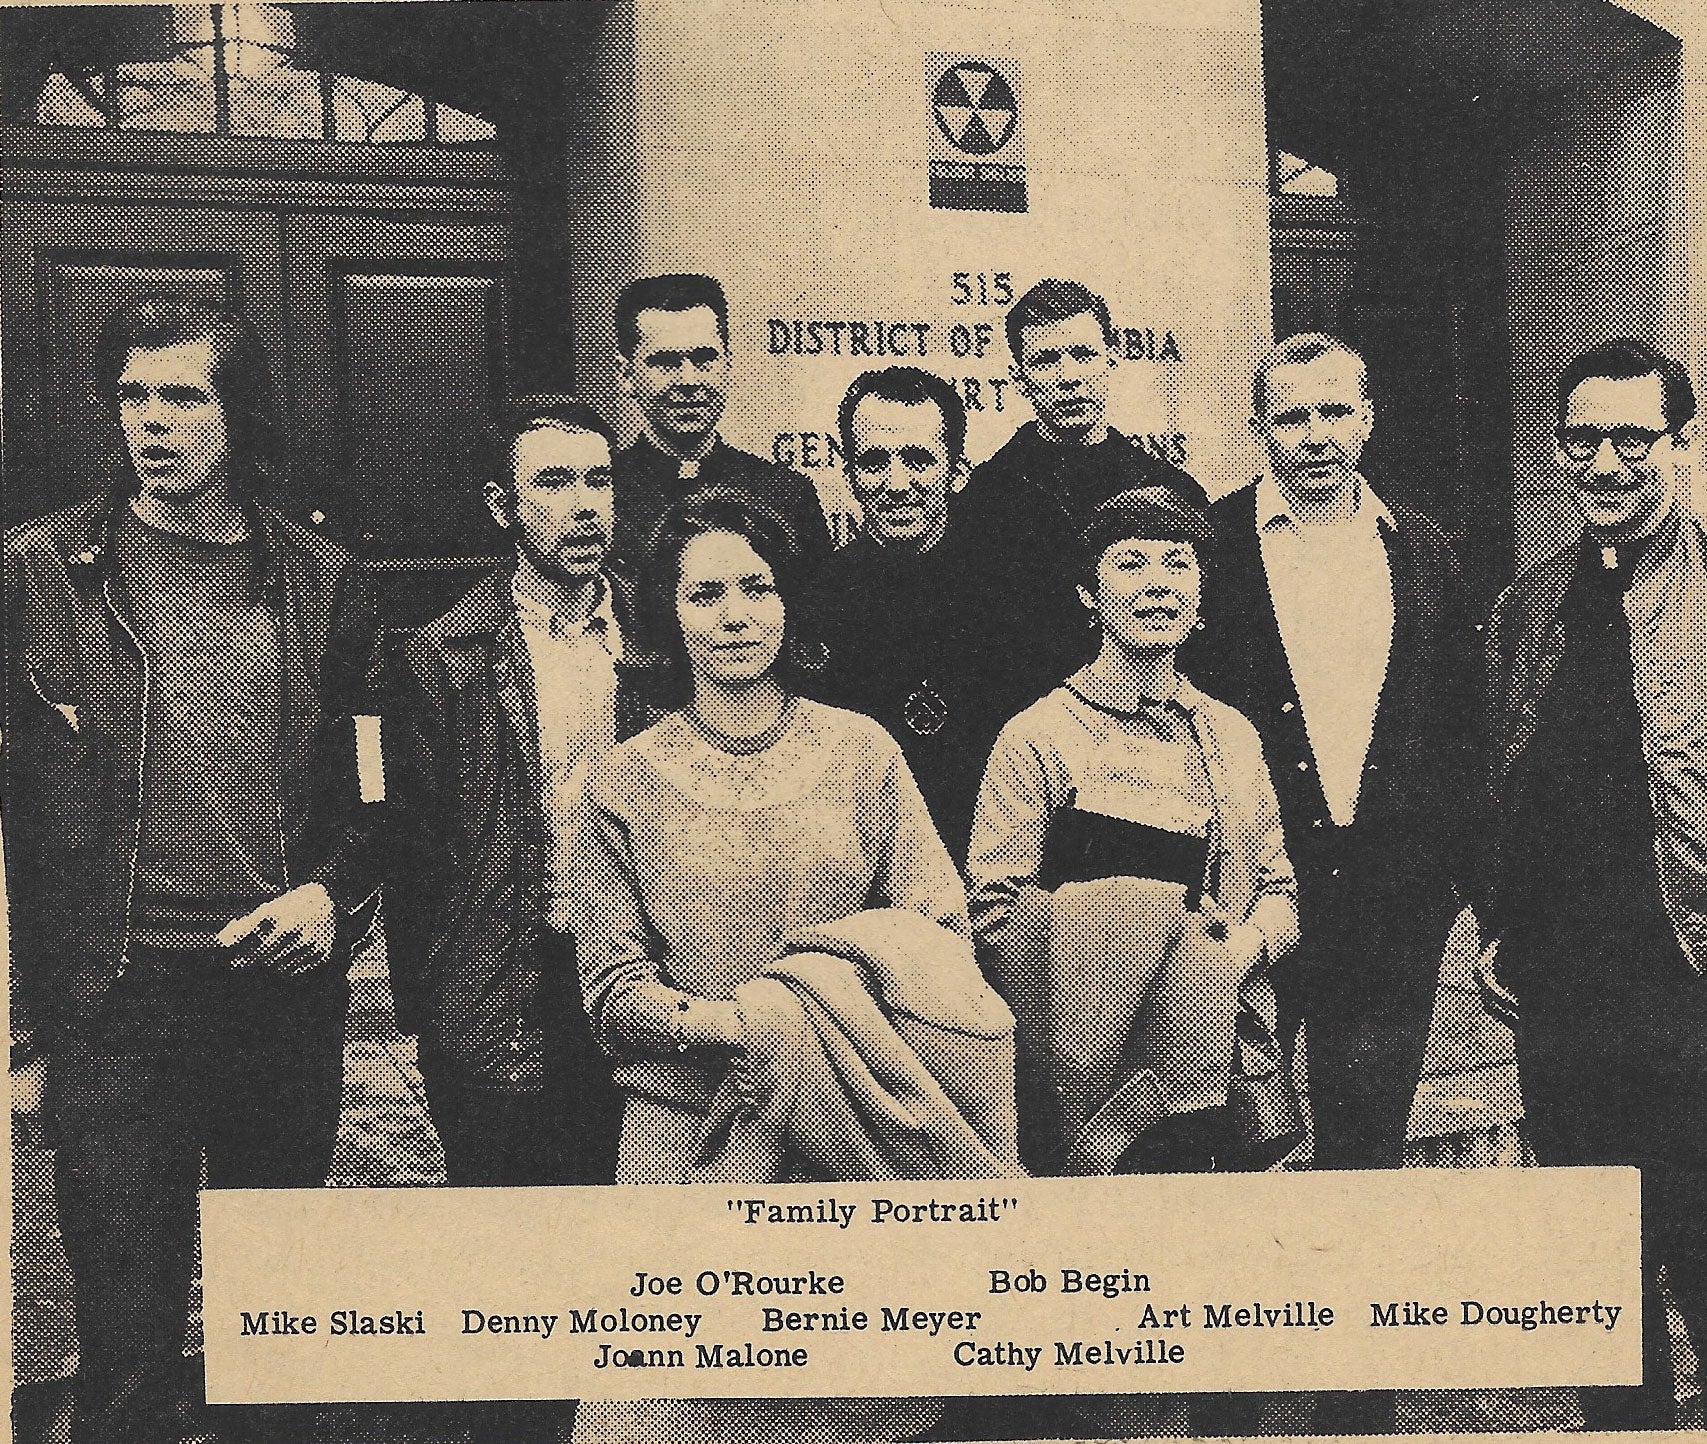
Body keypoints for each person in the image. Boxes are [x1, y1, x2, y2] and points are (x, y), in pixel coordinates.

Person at [3, 295, 381, 1444]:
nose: (152, 422)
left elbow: (373, 793)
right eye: (132, 395)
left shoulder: (325, 580)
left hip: (277, 993)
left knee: (275, 1314)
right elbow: (20, 825)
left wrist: (332, 896)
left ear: (239, 411)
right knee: (125, 1325)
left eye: (183, 395)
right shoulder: (39, 573)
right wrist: (26, 1038)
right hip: (119, 996)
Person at [572, 488, 1015, 1444]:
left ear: (789, 603)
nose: (735, 615)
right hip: (688, 1139)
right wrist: (746, 1028)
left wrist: (820, 1024)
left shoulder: (862, 753)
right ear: (665, 615)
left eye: (757, 588)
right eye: (704, 594)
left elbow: (939, 935)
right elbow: (609, 994)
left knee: (859, 1408)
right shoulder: (619, 780)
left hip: (851, 1133)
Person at [1477, 338, 1707, 1429]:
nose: (1607, 462)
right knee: (1599, 1275)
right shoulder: (1532, 601)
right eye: (1583, 438)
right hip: (1569, 992)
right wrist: (1501, 923)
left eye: (1634, 437)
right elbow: (1504, 774)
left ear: (1683, 442)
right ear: (1558, 448)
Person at [1189, 333, 1476, 1431]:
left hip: (1389, 903)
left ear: (1368, 418)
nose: (1314, 437)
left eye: (1333, 413)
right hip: (1250, 900)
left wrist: (1449, 877)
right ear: (1258, 430)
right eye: (1290, 417)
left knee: (1365, 1148)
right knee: (1230, 1136)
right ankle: (1227, 1399)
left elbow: (1459, 719)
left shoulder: (1426, 549)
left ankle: (1358, 1406)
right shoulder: (1212, 544)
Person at [968, 486, 1297, 1439]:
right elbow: (994, 914)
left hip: (1222, 1063)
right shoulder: (1039, 737)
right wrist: (1139, 923)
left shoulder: (1230, 733)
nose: (1158, 584)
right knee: (1112, 1329)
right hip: (1093, 1073)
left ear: (1201, 593)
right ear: (1087, 595)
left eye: (1177, 564)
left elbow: (1278, 886)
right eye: (1130, 563)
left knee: (1222, 1308)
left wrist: (1232, 953)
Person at [383, 394, 644, 1440]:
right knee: (509, 1257)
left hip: (634, 979)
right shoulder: (443, 655)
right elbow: (415, 849)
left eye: (599, 480)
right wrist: (439, 1004)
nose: (584, 506)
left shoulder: (658, 633)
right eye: (554, 482)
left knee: (626, 1242)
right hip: (503, 978)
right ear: (502, 505)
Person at [951, 279, 1210, 714]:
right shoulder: (986, 499)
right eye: (1046, 361)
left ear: (1112, 358)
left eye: (1084, 355)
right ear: (1019, 378)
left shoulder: (1172, 490)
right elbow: (976, 651)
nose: (1069, 377)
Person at [808, 366, 1017, 857]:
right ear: (848, 473)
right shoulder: (820, 599)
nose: (897, 483)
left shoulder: (1011, 593)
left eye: (918, 460)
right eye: (874, 462)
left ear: (958, 472)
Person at [609, 272, 842, 567]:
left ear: (727, 364)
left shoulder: (787, 495)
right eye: (665, 362)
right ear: (627, 376)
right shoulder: (604, 495)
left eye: (704, 359)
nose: (689, 381)